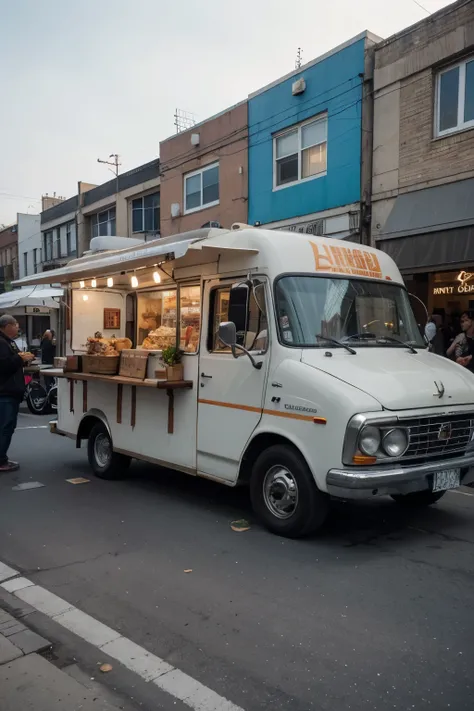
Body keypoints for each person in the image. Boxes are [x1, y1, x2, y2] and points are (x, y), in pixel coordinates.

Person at [0, 315, 33, 471]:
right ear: (6, 326)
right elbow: (5, 365)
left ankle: (2, 458)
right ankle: (1, 460)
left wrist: (24, 359)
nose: (17, 327)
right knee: (5, 427)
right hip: (5, 392)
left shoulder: (8, 342)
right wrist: (20, 359)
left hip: (9, 391)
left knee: (6, 426)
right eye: (15, 324)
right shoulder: (2, 343)